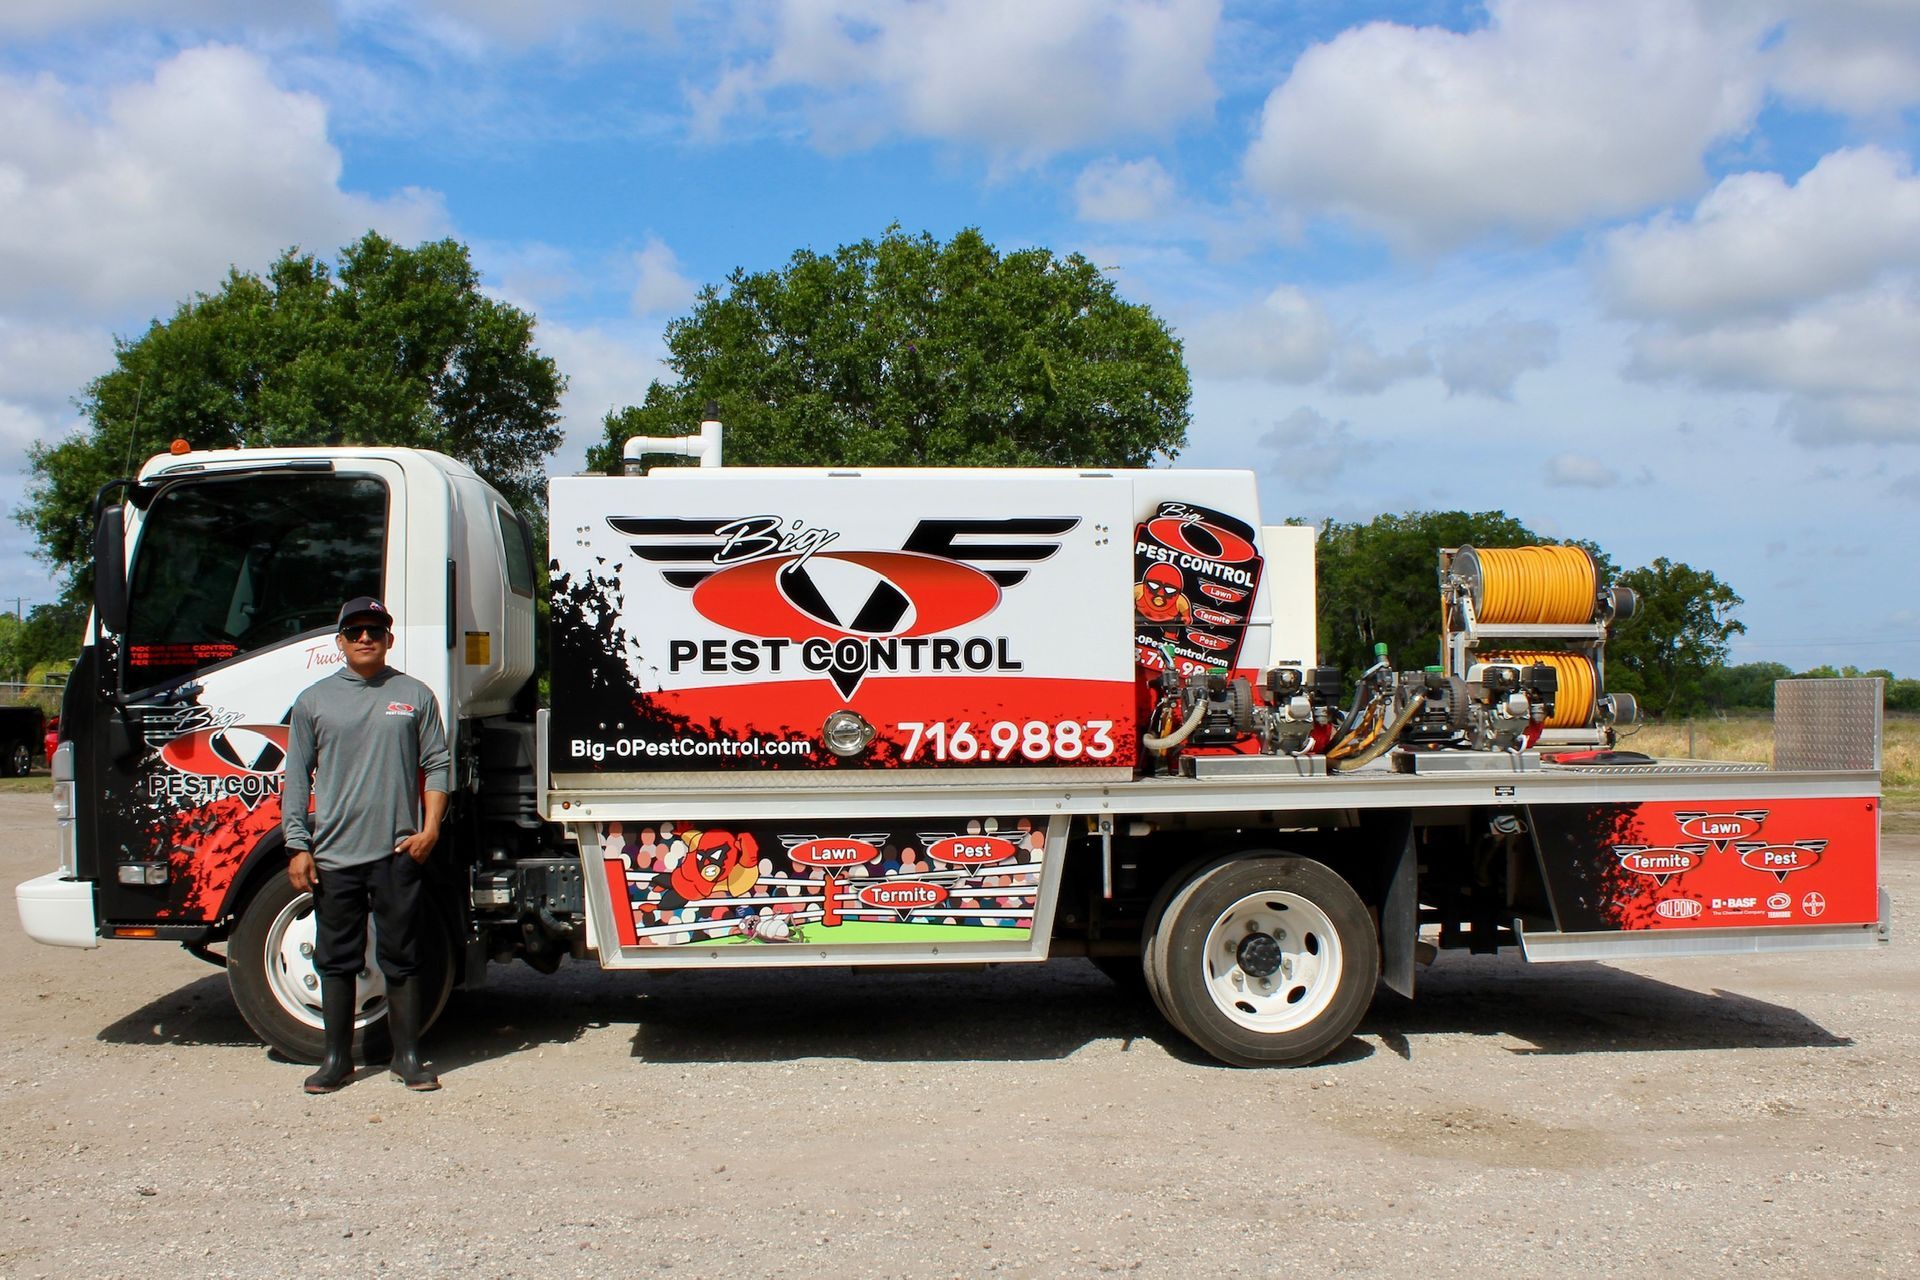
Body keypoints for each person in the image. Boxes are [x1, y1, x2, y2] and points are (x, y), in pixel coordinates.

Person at [283, 596, 452, 1093]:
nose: (364, 638)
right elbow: (296, 777)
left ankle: (408, 1057)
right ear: (340, 641)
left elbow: (438, 764)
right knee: (337, 958)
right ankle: (337, 1061)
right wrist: (298, 844)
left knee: (401, 955)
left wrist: (431, 828)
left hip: (398, 852)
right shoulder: (314, 700)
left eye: (374, 631)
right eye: (355, 631)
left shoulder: (413, 695)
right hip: (333, 855)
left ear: (388, 640)